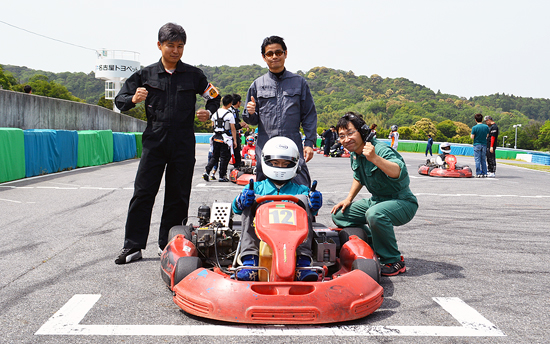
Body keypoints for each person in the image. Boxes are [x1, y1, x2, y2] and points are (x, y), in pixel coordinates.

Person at [114, 23, 220, 265]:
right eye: (170, 45)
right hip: (155, 140)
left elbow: (214, 97)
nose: (175, 50)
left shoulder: (194, 75)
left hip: (183, 141)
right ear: (159, 45)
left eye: (180, 46)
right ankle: (133, 245)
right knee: (143, 193)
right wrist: (132, 98)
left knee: (178, 195)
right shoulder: (145, 75)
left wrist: (209, 112)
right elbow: (120, 100)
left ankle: (171, 244)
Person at [331, 112, 418, 276]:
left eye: (350, 133)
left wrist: (375, 158)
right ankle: (374, 244)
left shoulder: (379, 149)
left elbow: (399, 170)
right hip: (377, 200)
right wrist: (348, 199)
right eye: (341, 136)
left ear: (362, 132)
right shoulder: (355, 154)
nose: (346, 139)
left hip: (402, 201)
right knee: (340, 215)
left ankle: (393, 260)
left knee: (375, 214)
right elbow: (359, 177)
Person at [232, 136, 322, 282]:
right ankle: (250, 261)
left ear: (294, 164)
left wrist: (314, 204)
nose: (280, 167)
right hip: (261, 234)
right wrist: (241, 201)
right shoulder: (256, 187)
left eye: (285, 164)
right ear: (266, 162)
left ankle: (302, 262)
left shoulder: (302, 190)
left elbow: (312, 213)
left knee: (304, 200)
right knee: (250, 201)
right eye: (275, 163)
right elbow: (235, 209)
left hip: (293, 237)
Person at [243, 35, 317, 187]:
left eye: (278, 52)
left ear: (285, 54)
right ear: (264, 57)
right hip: (266, 146)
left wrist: (309, 143)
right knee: (263, 190)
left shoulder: (299, 82)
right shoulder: (257, 85)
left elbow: (309, 115)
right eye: (270, 54)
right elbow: (251, 121)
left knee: (302, 188)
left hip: (293, 145)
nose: (274, 56)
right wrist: (250, 113)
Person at [203, 95, 237, 182]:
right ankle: (222, 176)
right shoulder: (229, 115)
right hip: (225, 139)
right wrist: (235, 141)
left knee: (215, 157)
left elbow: (212, 125)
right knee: (224, 158)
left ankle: (207, 171)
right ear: (230, 104)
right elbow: (233, 129)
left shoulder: (215, 113)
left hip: (215, 138)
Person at [230, 94, 248, 168]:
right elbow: (233, 126)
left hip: (230, 134)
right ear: (238, 102)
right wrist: (240, 125)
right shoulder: (232, 111)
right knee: (236, 150)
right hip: (231, 134)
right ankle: (237, 166)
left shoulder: (232, 110)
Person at [471, 113, 489, 178]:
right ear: (482, 119)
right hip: (484, 144)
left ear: (476, 120)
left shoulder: (474, 127)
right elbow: (487, 135)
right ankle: (485, 173)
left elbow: (472, 137)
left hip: (477, 144)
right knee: (483, 159)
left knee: (477, 159)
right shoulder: (486, 127)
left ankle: (478, 173)